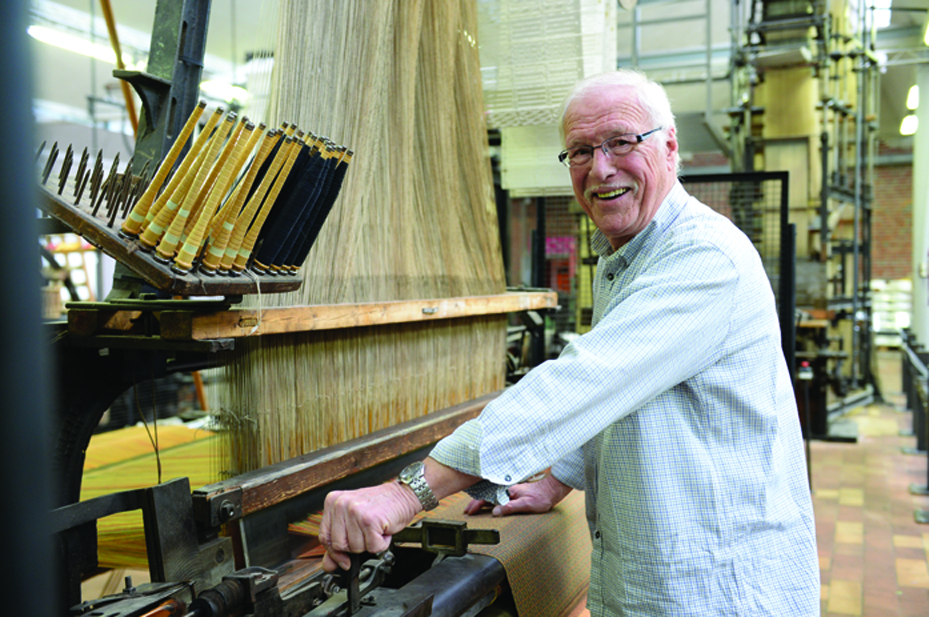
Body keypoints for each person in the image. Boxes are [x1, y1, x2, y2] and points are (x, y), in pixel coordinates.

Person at [319, 69, 820, 615]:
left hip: (716, 586)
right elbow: (621, 399)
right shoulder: (623, 260)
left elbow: (587, 382)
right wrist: (557, 481)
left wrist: (403, 493)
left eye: (621, 143)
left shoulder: (704, 259)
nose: (600, 168)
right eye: (580, 151)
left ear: (670, 148)